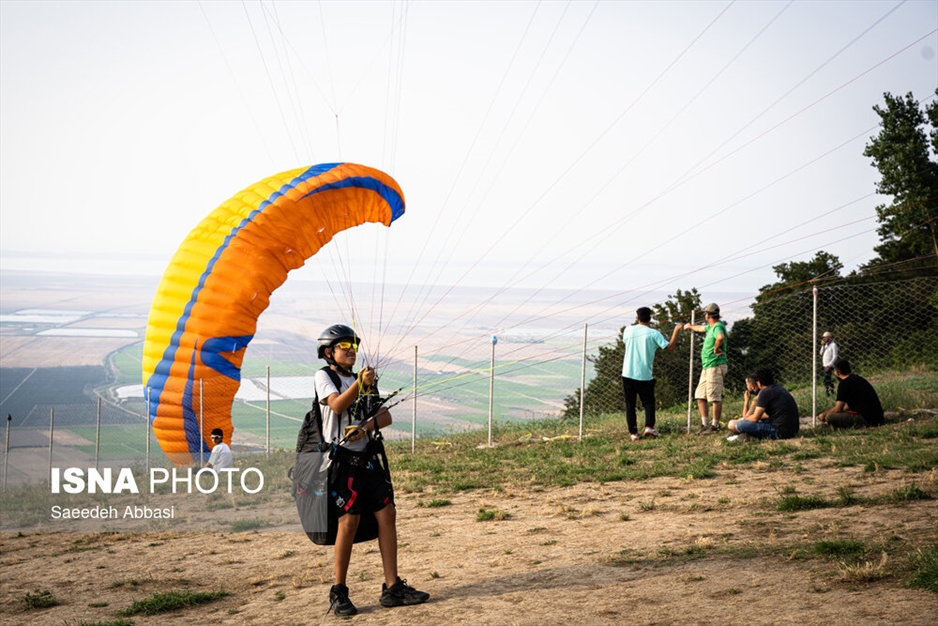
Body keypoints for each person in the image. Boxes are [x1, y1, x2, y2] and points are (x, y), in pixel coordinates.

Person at [315, 324, 429, 616]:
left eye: (354, 347)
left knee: (387, 514)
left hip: (367, 459)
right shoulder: (324, 376)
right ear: (329, 352)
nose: (352, 351)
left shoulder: (363, 380)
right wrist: (360, 385)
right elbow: (338, 406)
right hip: (342, 463)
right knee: (348, 523)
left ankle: (392, 587)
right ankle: (338, 591)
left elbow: (385, 417)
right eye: (345, 347)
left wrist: (364, 427)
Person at [621, 307, 683, 441]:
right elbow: (670, 347)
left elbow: (625, 341)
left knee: (630, 405)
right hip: (644, 375)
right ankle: (649, 426)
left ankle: (633, 433)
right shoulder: (654, 333)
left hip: (627, 373)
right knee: (648, 402)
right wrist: (676, 330)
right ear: (650, 318)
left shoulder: (628, 330)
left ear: (637, 318)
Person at [684, 302, 728, 434]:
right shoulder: (711, 327)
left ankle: (714, 426)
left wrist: (716, 347)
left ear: (708, 315)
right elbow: (701, 329)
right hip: (708, 366)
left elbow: (720, 337)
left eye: (705, 313)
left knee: (714, 396)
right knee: (700, 395)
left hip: (715, 365)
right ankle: (705, 424)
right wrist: (690, 326)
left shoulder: (718, 327)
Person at [727, 368, 800, 440]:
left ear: (759, 383)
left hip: (780, 432)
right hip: (793, 430)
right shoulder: (779, 388)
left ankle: (751, 436)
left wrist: (745, 418)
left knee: (740, 424)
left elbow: (755, 418)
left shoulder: (764, 392)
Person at [817, 359, 884, 428]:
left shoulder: (844, 384)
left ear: (837, 372)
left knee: (829, 417)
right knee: (837, 413)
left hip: (866, 419)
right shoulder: (859, 379)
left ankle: (837, 426)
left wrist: (824, 414)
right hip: (878, 418)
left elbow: (838, 409)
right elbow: (849, 405)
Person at [820, 331, 839, 396]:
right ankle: (829, 390)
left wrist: (830, 364)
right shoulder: (826, 345)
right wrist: (822, 346)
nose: (823, 339)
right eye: (823, 338)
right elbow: (821, 353)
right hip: (825, 365)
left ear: (829, 337)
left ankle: (831, 390)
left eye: (825, 337)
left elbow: (835, 356)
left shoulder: (833, 345)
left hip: (831, 365)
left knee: (830, 378)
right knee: (827, 379)